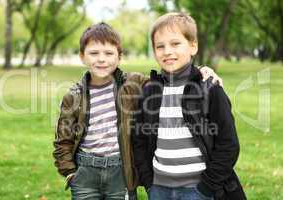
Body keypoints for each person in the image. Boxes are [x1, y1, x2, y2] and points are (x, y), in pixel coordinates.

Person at [53, 22, 222, 200]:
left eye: (109, 53)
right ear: (82, 56)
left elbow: (166, 80)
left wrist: (201, 71)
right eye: (94, 53)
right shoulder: (74, 96)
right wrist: (70, 173)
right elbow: (63, 139)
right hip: (85, 172)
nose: (101, 59)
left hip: (121, 170)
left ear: (119, 57)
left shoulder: (133, 84)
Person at [132, 12, 246, 200]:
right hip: (159, 188)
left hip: (198, 188)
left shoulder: (209, 89)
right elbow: (139, 141)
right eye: (160, 46)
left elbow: (229, 144)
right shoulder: (149, 92)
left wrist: (207, 187)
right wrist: (149, 182)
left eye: (175, 43)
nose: (167, 51)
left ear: (193, 46)